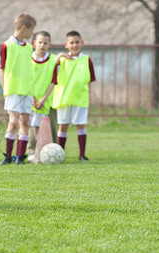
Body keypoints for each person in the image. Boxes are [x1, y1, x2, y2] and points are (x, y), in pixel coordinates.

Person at [0, 13, 36, 165]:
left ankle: (20, 156)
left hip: (27, 90)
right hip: (13, 90)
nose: (32, 33)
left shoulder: (28, 48)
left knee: (25, 122)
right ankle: (8, 156)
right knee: (13, 123)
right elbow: (2, 69)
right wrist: (4, 89)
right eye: (31, 29)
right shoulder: (7, 45)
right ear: (24, 28)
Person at [52, 31, 95, 161]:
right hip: (63, 98)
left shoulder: (86, 60)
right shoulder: (61, 60)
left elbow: (90, 80)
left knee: (80, 125)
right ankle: (60, 154)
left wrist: (87, 94)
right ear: (66, 44)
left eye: (77, 42)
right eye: (71, 42)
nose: (74, 45)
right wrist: (59, 56)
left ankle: (82, 155)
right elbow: (49, 68)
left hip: (80, 98)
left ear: (82, 43)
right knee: (63, 125)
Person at [26, 31, 58, 163]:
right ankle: (31, 152)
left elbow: (54, 81)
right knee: (32, 127)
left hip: (47, 99)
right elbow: (25, 79)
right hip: (31, 99)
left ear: (49, 44)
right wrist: (32, 97)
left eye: (45, 43)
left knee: (50, 127)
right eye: (40, 42)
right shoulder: (27, 59)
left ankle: (52, 150)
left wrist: (44, 99)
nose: (42, 45)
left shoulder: (53, 60)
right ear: (34, 44)